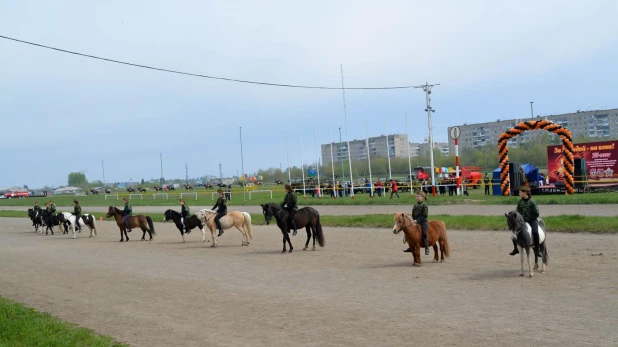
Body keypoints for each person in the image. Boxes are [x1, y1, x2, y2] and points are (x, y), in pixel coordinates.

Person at [511, 185, 542, 257]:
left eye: (520, 192)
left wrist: (528, 219)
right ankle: (515, 248)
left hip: (532, 221)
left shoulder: (532, 202)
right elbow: (517, 211)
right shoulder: (520, 202)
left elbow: (536, 213)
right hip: (522, 221)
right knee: (514, 231)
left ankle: (537, 250)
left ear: (525, 193)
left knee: (535, 232)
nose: (519, 193)